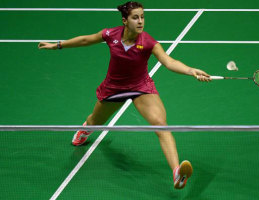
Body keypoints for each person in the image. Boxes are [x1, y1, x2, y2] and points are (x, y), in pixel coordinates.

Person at [38, 1, 211, 189]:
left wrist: (191, 70)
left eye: (143, 17)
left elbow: (169, 62)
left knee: (161, 124)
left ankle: (177, 173)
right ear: (124, 20)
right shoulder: (110, 35)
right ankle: (86, 128)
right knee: (95, 121)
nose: (140, 21)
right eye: (135, 17)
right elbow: (86, 40)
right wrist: (57, 45)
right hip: (114, 88)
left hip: (140, 87)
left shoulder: (149, 43)